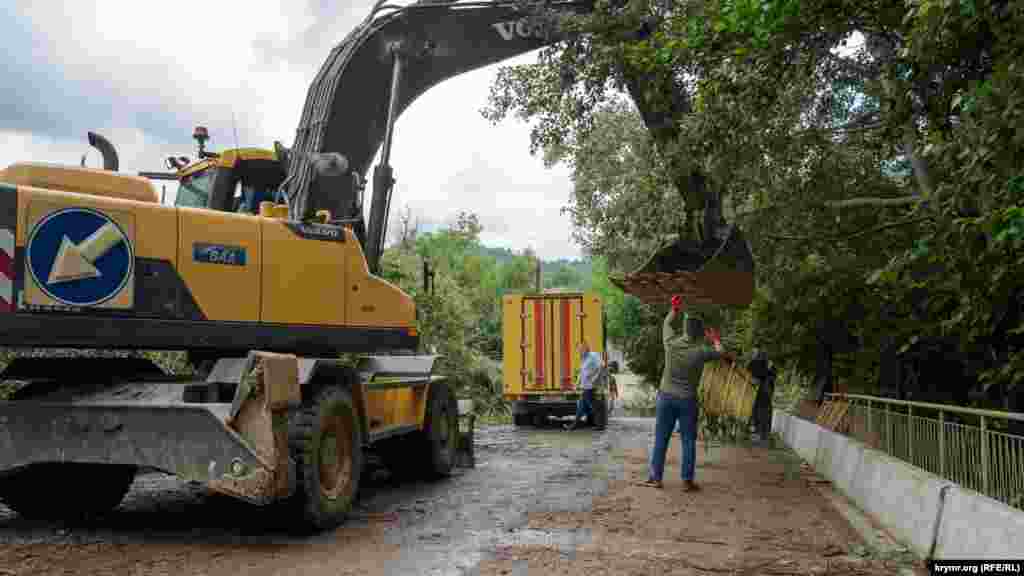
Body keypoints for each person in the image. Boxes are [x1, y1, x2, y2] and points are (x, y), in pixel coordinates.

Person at [641, 294, 734, 491]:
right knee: (688, 441)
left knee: (661, 439)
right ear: (700, 334)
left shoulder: (671, 344)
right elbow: (722, 353)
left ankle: (656, 478)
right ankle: (687, 481)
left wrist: (674, 309)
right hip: (687, 401)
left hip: (666, 397)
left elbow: (667, 323)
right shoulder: (701, 351)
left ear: (684, 329)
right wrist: (715, 339)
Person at [566, 341, 604, 431]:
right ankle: (574, 426)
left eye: (580, 349)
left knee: (594, 406)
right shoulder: (583, 358)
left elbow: (601, 366)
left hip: (591, 386)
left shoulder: (593, 355)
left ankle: (599, 426)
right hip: (585, 386)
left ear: (586, 348)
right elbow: (581, 373)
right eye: (578, 349)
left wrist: (594, 378)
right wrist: (576, 384)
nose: (579, 351)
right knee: (582, 407)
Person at [748, 349, 776, 442]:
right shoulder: (767, 364)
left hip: (760, 393)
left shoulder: (755, 363)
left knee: (758, 412)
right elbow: (771, 376)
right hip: (763, 393)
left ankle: (759, 433)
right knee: (762, 413)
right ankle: (762, 434)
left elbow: (751, 375)